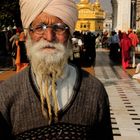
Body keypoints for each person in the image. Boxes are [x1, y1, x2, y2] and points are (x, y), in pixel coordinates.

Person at [0, 0, 113, 139]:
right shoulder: (7, 94)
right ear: (29, 34)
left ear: (69, 35)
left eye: (59, 27)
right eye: (40, 27)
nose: (49, 36)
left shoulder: (93, 91)